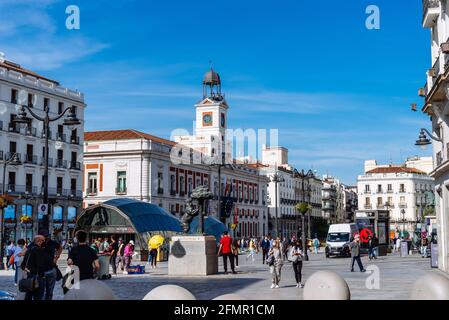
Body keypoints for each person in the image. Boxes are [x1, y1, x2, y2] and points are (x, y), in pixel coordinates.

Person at [27, 229, 62, 300]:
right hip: (39, 272)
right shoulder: (34, 243)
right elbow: (27, 251)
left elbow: (60, 247)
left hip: (51, 270)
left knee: (49, 292)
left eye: (47, 236)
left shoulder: (52, 243)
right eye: (45, 236)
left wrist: (56, 257)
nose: (47, 238)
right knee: (40, 292)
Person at [21, 235, 47, 300]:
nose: (44, 242)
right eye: (43, 241)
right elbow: (41, 264)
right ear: (39, 241)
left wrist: (27, 269)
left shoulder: (29, 250)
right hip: (38, 277)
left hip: (30, 276)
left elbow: (23, 265)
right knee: (38, 296)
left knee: (29, 295)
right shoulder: (40, 250)